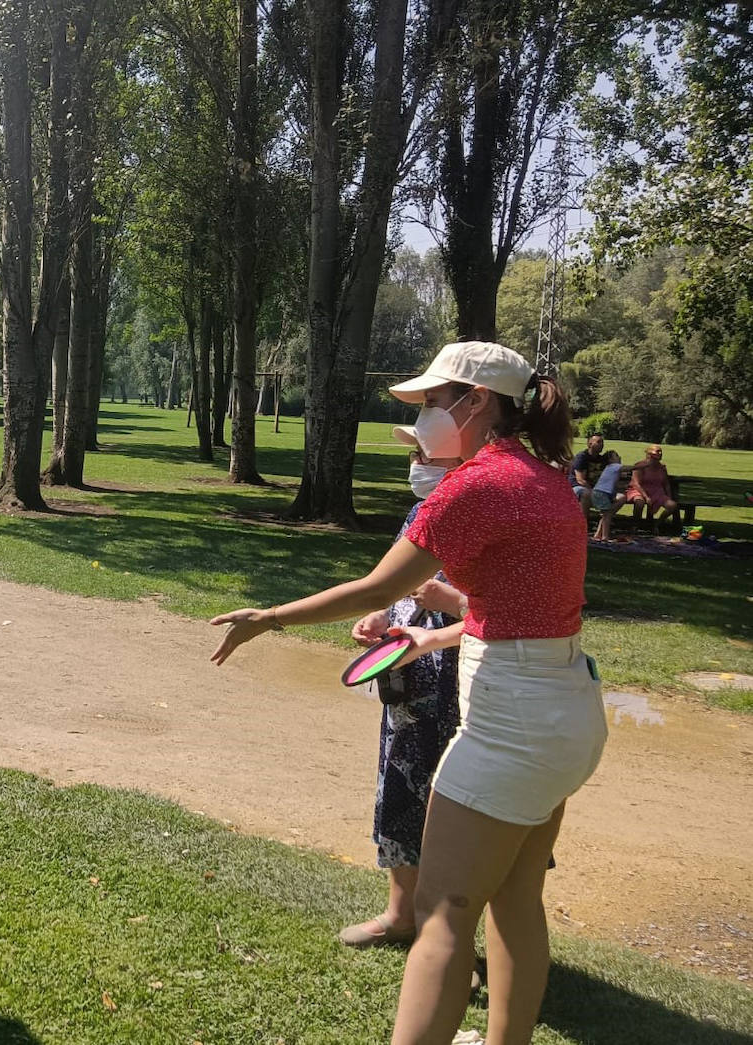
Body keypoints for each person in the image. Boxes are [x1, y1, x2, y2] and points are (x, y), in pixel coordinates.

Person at [211, 340, 606, 1045]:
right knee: (516, 899)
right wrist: (425, 634)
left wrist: (267, 617)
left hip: (510, 721)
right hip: (568, 712)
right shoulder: (548, 480)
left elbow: (377, 588)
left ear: (476, 401)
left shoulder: (477, 485)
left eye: (431, 402)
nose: (424, 419)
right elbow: (511, 608)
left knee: (443, 907)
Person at [339, 428, 465, 951]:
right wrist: (378, 617)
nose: (415, 460)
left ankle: (455, 932)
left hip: (463, 687)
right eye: (413, 451)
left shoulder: (486, 516)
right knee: (399, 791)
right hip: (410, 688)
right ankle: (400, 915)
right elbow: (394, 591)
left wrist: (448, 598)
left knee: (459, 808)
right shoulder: (418, 516)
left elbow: (513, 612)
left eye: (423, 450)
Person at [627, 444, 678, 531]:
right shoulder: (640, 466)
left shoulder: (662, 468)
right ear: (649, 453)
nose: (660, 453)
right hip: (639, 490)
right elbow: (636, 484)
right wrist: (646, 497)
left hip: (657, 492)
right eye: (657, 451)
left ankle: (656, 525)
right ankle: (635, 525)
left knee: (672, 505)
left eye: (661, 451)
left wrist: (669, 496)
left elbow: (666, 483)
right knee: (639, 502)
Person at [590, 451, 629, 542]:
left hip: (603, 494)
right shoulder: (614, 467)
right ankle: (605, 537)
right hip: (601, 494)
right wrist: (644, 465)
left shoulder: (612, 469)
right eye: (616, 456)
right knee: (607, 515)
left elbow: (612, 485)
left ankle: (598, 534)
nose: (619, 457)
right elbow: (632, 467)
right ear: (610, 460)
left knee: (606, 514)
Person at [569, 433, 607, 509]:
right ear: (589, 444)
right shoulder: (582, 457)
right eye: (599, 442)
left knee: (619, 498)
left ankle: (606, 520)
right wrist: (595, 491)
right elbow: (580, 480)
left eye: (602, 442)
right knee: (586, 493)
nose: (602, 444)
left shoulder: (602, 459)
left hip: (593, 489)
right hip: (577, 487)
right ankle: (584, 520)